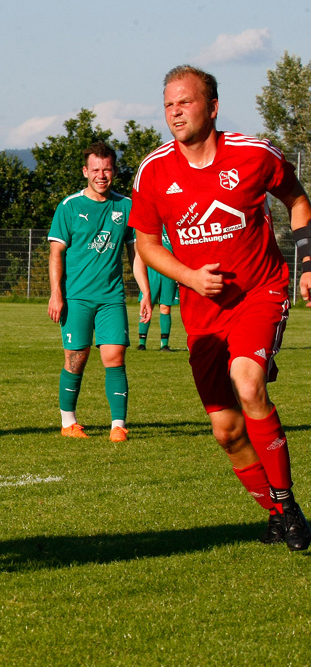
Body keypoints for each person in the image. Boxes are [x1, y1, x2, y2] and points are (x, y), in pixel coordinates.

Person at [130, 65, 311, 551]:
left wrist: (309, 261)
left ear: (212, 107)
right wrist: (188, 277)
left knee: (247, 381)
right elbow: (146, 244)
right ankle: (274, 513)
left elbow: (296, 199)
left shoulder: (253, 156)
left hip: (260, 292)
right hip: (203, 314)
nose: (175, 112)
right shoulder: (153, 171)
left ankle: (287, 504)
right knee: (226, 431)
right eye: (168, 103)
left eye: (185, 102)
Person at [47, 142, 151, 443]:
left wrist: (144, 292)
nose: (101, 175)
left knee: (115, 357)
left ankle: (118, 425)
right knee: (75, 358)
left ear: (114, 171)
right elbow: (56, 254)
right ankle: (69, 421)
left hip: (111, 298)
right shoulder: (69, 206)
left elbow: (137, 254)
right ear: (85, 172)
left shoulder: (126, 206)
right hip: (76, 297)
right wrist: (56, 294)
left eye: (106, 169)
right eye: (95, 170)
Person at [137, 226, 177, 351]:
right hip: (152, 270)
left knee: (165, 307)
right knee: (147, 305)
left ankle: (164, 344)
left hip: (169, 270)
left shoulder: (175, 224)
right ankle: (142, 343)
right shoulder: (152, 224)